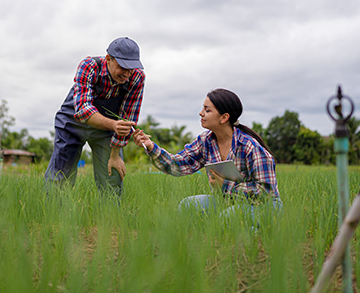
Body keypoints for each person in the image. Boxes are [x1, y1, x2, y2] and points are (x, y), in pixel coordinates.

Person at [133, 88, 282, 218]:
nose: (201, 113)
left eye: (207, 110)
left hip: (264, 205)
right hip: (228, 201)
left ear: (224, 117)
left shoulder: (250, 147)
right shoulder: (206, 141)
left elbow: (266, 192)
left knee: (230, 216)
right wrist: (151, 147)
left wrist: (226, 186)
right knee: (188, 206)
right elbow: (177, 165)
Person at [44, 37, 145, 196]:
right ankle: (54, 218)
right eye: (122, 67)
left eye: (131, 68)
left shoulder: (137, 78)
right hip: (72, 124)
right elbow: (83, 110)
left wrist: (115, 154)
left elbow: (127, 118)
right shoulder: (89, 66)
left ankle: (110, 219)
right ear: (108, 59)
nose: (127, 73)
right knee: (60, 177)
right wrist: (113, 125)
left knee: (112, 177)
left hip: (105, 131)